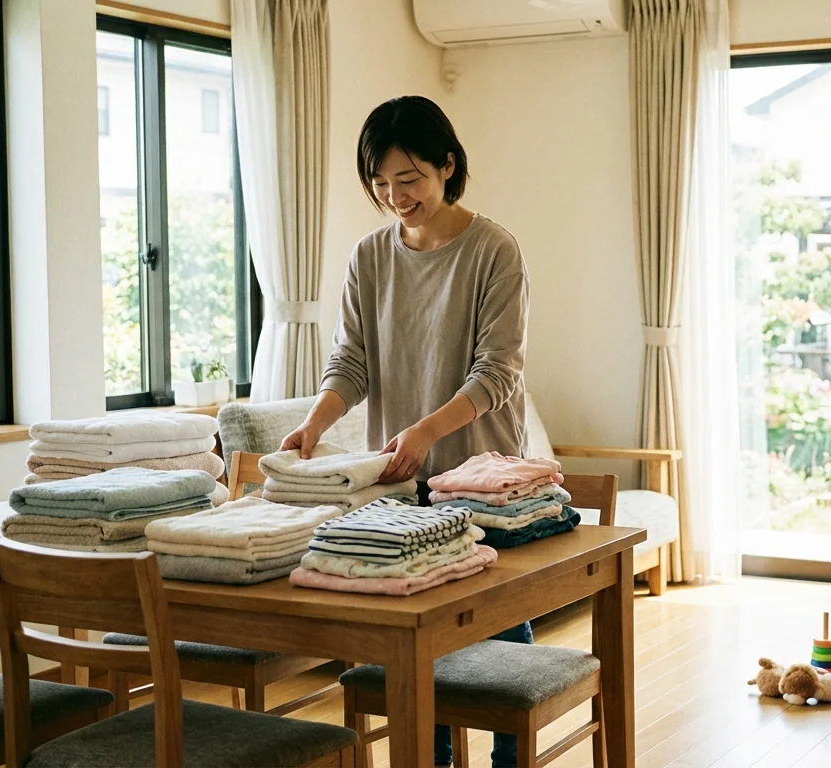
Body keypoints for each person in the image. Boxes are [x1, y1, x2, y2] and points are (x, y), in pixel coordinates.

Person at [280, 95, 530, 768]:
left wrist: (424, 430)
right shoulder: (369, 256)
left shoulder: (493, 249)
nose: (395, 196)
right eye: (381, 183)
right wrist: (314, 424)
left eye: (409, 179)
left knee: (502, 624)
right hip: (397, 481)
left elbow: (497, 371)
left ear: (447, 166)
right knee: (422, 642)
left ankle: (512, 758)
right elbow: (352, 362)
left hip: (482, 478)